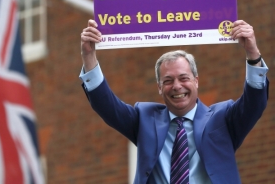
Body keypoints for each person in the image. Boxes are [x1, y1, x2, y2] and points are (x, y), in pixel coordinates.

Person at [79, 19, 269, 184]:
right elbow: (107, 106)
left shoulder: (224, 119)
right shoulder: (144, 118)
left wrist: (252, 53)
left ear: (196, 80)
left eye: (184, 78)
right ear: (159, 88)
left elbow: (254, 103)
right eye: (168, 81)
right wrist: (89, 56)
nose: (177, 86)